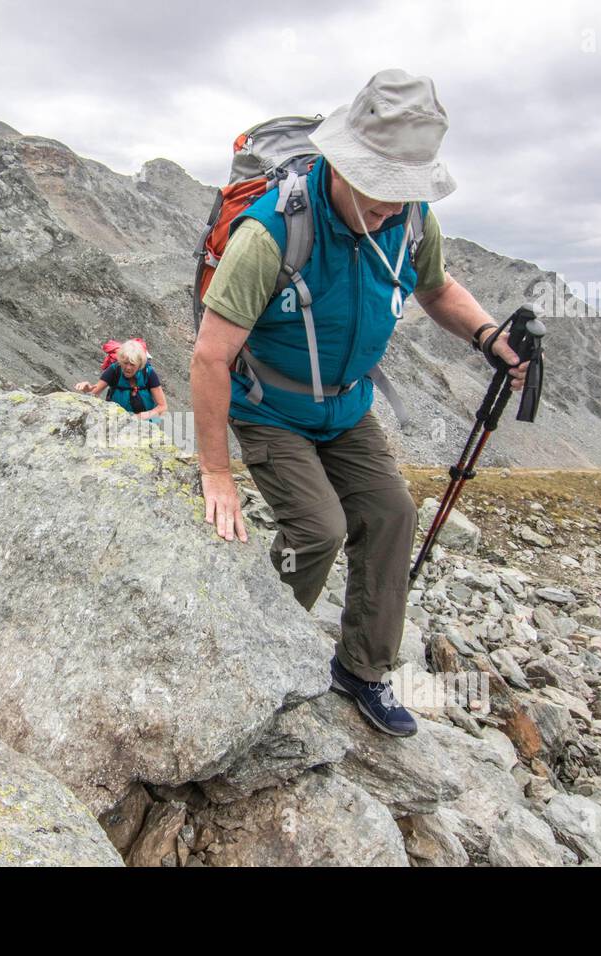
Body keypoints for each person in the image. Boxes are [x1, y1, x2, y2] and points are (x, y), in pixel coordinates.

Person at [191, 69, 528, 737]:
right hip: (271, 410)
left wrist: (488, 335)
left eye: (401, 198)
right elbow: (210, 355)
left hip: (345, 409)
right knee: (318, 530)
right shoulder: (270, 233)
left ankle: (362, 670)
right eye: (377, 196)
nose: (388, 212)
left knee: (392, 513)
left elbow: (436, 290)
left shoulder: (409, 221)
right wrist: (216, 472)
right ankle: (255, 652)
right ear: (341, 164)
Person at [74, 339, 167, 424]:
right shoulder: (114, 370)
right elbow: (93, 395)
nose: (128, 368)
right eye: (125, 363)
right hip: (117, 422)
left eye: (132, 364)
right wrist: (87, 389)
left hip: (145, 423)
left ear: (139, 364)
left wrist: (138, 417)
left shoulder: (148, 373)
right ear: (120, 360)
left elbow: (162, 406)